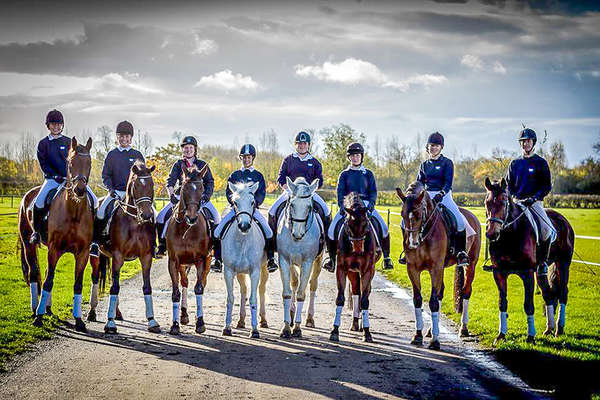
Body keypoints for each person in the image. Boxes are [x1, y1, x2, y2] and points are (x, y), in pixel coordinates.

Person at [399, 132, 475, 266]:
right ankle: (408, 250)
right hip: (426, 196)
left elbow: (448, 183)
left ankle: (461, 252)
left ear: (441, 147)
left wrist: (441, 194)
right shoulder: (424, 165)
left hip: (444, 196)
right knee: (403, 222)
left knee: (459, 221)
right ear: (427, 147)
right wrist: (416, 194)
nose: (433, 148)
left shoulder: (447, 163)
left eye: (437, 146)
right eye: (431, 145)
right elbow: (419, 183)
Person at [30, 109, 97, 245]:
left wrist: (74, 176)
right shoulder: (43, 144)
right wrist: (54, 176)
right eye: (53, 124)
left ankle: (94, 237)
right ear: (48, 125)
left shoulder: (69, 142)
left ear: (62, 125)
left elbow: (76, 161)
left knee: (94, 201)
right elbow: (43, 163)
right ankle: (36, 232)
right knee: (38, 202)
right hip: (52, 180)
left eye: (59, 124)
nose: (56, 127)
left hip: (71, 180)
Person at [324, 142, 394, 272]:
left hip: (365, 205)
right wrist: (342, 206)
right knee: (331, 230)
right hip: (348, 207)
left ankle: (387, 258)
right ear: (349, 157)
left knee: (384, 228)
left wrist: (372, 204)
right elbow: (340, 192)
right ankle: (332, 260)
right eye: (352, 155)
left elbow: (373, 191)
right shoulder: (344, 174)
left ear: (362, 156)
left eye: (357, 155)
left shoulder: (368, 173)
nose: (355, 158)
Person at [211, 144, 278, 273]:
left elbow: (261, 193)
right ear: (240, 158)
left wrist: (254, 205)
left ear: (253, 158)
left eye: (249, 157)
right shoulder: (234, 175)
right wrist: (236, 204)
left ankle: (270, 259)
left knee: (268, 231)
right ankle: (218, 260)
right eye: (244, 157)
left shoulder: (258, 176)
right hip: (236, 210)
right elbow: (228, 192)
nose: (246, 160)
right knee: (217, 231)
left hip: (253, 210)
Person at [155, 135, 219, 258]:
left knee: (216, 218)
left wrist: (206, 196)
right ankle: (162, 246)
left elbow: (210, 182)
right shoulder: (178, 164)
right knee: (160, 217)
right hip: (181, 198)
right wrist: (172, 194)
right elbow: (170, 181)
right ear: (182, 150)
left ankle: (216, 252)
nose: (188, 150)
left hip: (200, 198)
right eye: (185, 148)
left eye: (190, 147)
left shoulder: (202, 164)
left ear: (195, 149)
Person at [268, 131, 331, 251]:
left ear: (308, 145)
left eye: (304, 143)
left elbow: (320, 180)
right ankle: (272, 245)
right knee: (272, 211)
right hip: (291, 192)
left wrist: (311, 190)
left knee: (326, 211)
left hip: (308, 194)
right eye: (299, 143)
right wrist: (287, 188)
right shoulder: (288, 160)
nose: (301, 146)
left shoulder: (315, 162)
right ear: (295, 145)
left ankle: (326, 242)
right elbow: (281, 178)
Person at [505, 127, 556, 275]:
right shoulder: (514, 163)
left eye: (528, 141)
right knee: (499, 224)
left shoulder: (540, 162)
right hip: (517, 202)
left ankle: (542, 263)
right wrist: (513, 197)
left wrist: (534, 198)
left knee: (546, 230)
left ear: (533, 142)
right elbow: (508, 185)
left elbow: (546, 185)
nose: (525, 144)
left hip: (534, 204)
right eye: (522, 142)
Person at [90, 121, 144, 257]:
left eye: (127, 137)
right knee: (101, 212)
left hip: (134, 195)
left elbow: (144, 176)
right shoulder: (112, 155)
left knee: (152, 214)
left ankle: (152, 244)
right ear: (117, 137)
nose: (124, 139)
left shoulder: (137, 154)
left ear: (131, 138)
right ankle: (96, 242)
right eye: (121, 136)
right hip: (116, 192)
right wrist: (111, 189)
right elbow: (105, 175)